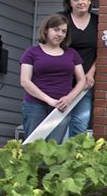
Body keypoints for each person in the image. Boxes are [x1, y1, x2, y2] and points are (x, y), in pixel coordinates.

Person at [20, 14, 85, 144]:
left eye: (64, 31)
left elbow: (82, 80)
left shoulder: (72, 54)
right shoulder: (32, 52)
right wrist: (50, 101)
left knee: (53, 149)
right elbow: (25, 81)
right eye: (56, 29)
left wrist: (69, 98)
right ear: (46, 30)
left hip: (61, 107)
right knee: (33, 147)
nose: (60, 34)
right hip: (35, 105)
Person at [61, 0, 98, 138]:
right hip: (61, 79)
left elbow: (103, 51)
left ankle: (75, 159)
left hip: (85, 82)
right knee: (58, 123)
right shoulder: (61, 19)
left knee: (79, 124)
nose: (80, 2)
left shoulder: (99, 21)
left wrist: (90, 74)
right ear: (69, 3)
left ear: (89, 0)